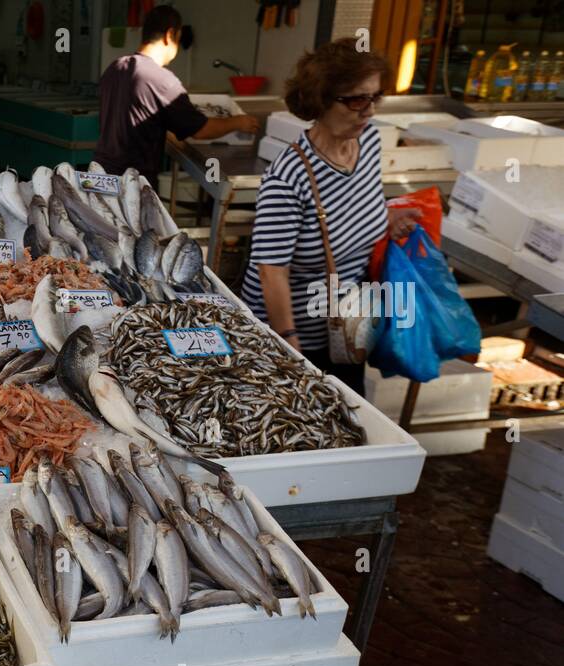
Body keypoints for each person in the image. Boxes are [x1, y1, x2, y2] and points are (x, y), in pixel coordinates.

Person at [240, 38, 421, 394]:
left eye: (374, 98)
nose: (368, 111)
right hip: (293, 335)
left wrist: (388, 219)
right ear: (321, 101)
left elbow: (357, 205)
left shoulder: (368, 142)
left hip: (347, 325)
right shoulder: (288, 177)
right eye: (355, 100)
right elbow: (270, 269)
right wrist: (289, 343)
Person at [94, 5, 259, 181]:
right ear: (170, 35)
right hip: (131, 183)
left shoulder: (115, 67)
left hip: (100, 176)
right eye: (178, 39)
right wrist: (238, 122)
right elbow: (201, 130)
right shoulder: (163, 80)